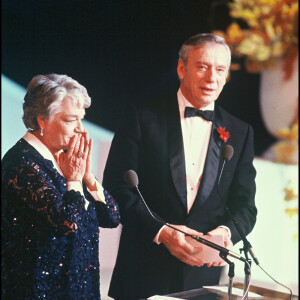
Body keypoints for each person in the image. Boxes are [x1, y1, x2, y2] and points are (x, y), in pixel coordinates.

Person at [103, 33, 257, 299]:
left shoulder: (240, 132)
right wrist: (162, 232)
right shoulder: (142, 117)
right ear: (181, 68)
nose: (212, 78)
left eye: (220, 69)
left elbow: (245, 206)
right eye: (202, 66)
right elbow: (116, 187)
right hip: (143, 275)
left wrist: (222, 234)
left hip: (203, 281)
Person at [1, 74, 120, 299]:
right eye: (70, 120)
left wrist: (88, 178)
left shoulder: (68, 161)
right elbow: (68, 223)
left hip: (80, 290)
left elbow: (111, 217)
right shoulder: (21, 163)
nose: (81, 129)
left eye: (81, 119)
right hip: (39, 292)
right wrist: (73, 180)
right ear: (41, 121)